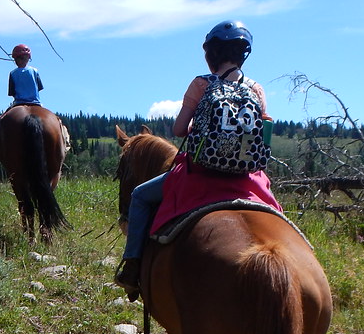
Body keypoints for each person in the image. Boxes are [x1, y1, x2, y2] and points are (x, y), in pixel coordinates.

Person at [114, 20, 281, 300]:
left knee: (140, 196)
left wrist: (201, 129)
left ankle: (131, 268)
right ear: (243, 55)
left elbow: (179, 130)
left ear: (211, 54)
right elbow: (263, 137)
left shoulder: (201, 84)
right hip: (246, 177)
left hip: (201, 171)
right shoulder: (256, 90)